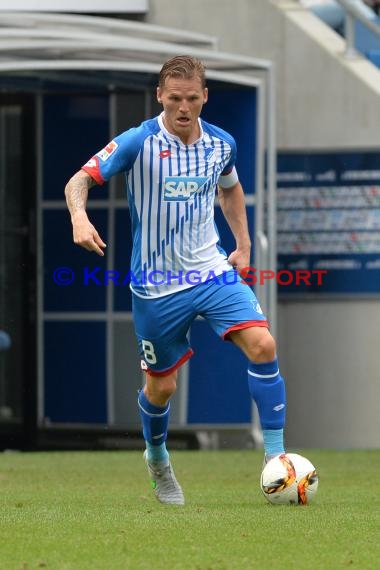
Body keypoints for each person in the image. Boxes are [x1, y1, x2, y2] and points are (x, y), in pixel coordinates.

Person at [64, 55, 287, 506]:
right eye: (174, 99)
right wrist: (78, 218)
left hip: (210, 270)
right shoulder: (138, 141)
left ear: (204, 96)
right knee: (161, 388)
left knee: (263, 345)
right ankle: (158, 458)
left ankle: (276, 460)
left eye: (191, 98)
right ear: (160, 97)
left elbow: (230, 189)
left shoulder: (221, 143)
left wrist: (242, 247)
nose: (183, 108)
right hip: (156, 285)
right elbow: (79, 180)